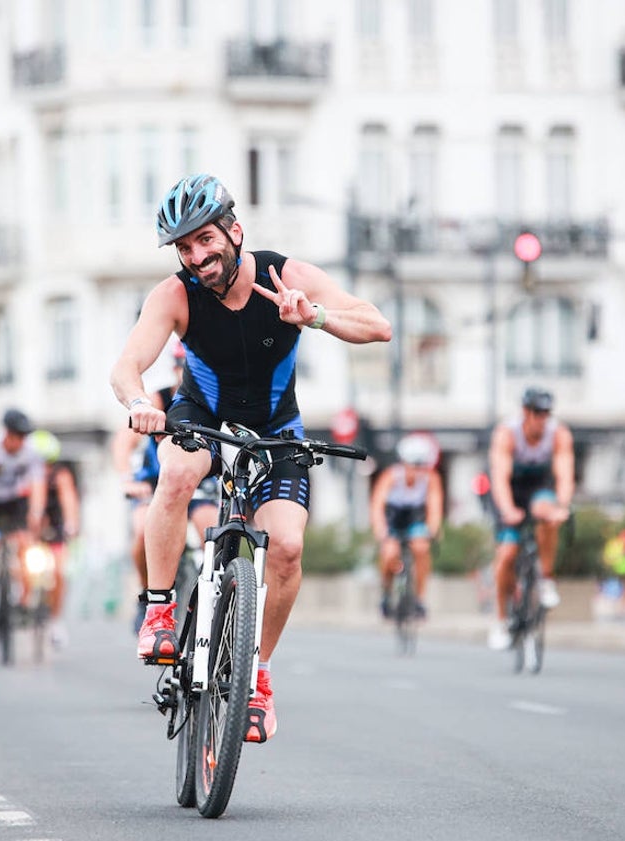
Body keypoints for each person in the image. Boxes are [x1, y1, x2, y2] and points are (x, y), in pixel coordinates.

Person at [111, 173, 391, 742]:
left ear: (235, 232)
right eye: (184, 248)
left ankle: (257, 678)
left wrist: (313, 316)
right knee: (178, 471)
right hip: (203, 417)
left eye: (205, 240)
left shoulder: (286, 275)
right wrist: (140, 402)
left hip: (275, 427)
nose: (196, 256)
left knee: (286, 547)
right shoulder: (174, 295)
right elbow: (126, 366)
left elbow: (377, 325)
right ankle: (161, 611)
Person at [111, 343, 219, 634]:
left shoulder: (216, 401)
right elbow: (124, 441)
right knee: (143, 532)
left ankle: (213, 601)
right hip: (154, 484)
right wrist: (127, 478)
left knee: (214, 536)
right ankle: (148, 595)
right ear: (175, 369)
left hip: (200, 485)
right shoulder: (159, 399)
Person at [486, 386, 575, 651]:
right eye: (537, 413)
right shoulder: (507, 433)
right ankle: (502, 619)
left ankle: (546, 578)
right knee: (506, 556)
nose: (542, 419)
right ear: (525, 412)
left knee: (547, 514)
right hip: (511, 491)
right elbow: (500, 477)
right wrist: (507, 510)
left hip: (539, 489)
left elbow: (565, 474)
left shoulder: (558, 434)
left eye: (546, 413)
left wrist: (562, 505)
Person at [0, 408, 47, 622]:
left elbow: (37, 485)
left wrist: (36, 513)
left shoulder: (30, 452)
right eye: (17, 436)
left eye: (24, 437)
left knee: (25, 547)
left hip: (16, 504)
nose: (20, 442)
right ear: (6, 433)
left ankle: (23, 602)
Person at [369, 432, 444, 620]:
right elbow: (377, 505)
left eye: (422, 465)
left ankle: (419, 598)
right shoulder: (391, 476)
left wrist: (433, 529)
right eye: (414, 464)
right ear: (403, 462)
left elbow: (435, 506)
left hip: (414, 518)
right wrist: (381, 531)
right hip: (393, 518)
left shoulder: (431, 478)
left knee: (421, 548)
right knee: (389, 554)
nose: (418, 470)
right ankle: (386, 593)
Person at [30, 429, 79, 648]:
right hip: (32, 532)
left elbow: (69, 500)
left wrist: (71, 524)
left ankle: (56, 620)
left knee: (59, 572)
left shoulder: (61, 475)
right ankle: (19, 600)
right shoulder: (25, 475)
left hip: (55, 530)